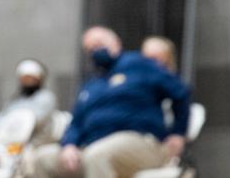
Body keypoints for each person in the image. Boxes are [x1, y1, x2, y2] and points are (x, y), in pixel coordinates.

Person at [33, 27, 191, 178]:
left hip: (140, 142)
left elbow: (180, 92)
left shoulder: (140, 64)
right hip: (91, 146)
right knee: (43, 158)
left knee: (97, 155)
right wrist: (69, 145)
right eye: (90, 49)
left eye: (99, 44)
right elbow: (76, 123)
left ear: (116, 41)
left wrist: (178, 133)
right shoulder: (91, 85)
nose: (96, 50)